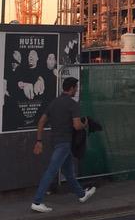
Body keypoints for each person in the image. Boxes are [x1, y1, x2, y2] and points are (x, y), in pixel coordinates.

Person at [31, 77, 96, 212]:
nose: (76, 90)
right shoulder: (73, 104)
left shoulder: (54, 103)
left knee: (68, 172)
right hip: (64, 142)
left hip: (54, 141)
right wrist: (85, 124)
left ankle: (82, 195)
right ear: (72, 88)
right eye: (76, 88)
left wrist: (39, 140)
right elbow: (77, 125)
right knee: (51, 170)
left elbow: (41, 121)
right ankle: (37, 201)